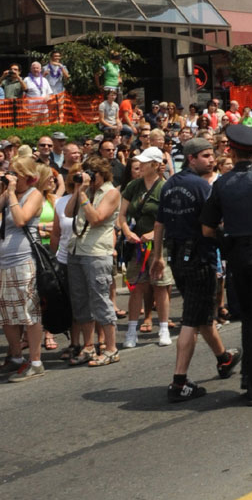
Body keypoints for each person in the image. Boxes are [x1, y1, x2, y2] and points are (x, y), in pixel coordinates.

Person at [150, 137, 241, 402]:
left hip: (177, 256)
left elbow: (159, 224)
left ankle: (224, 358)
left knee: (200, 313)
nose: (212, 160)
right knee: (191, 319)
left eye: (212, 155)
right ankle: (179, 382)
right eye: (206, 156)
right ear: (191, 158)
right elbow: (213, 224)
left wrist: (158, 256)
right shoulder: (201, 186)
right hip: (199, 258)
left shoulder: (169, 185)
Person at [200, 124, 252, 405]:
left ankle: (250, 375)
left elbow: (207, 229)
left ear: (231, 152)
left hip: (236, 255)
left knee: (248, 319)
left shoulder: (221, 183)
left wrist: (230, 239)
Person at [64, 153, 121, 365]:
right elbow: (68, 213)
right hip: (77, 250)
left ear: (102, 173)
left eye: (91, 173)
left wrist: (83, 195)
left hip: (96, 252)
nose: (88, 177)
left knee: (100, 300)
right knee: (80, 301)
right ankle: (88, 346)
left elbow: (96, 218)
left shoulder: (111, 192)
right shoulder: (85, 191)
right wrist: (78, 190)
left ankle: (111, 348)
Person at [118, 147, 173, 348]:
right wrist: (127, 231)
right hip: (136, 245)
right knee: (136, 287)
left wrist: (154, 233)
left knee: (160, 286)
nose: (139, 165)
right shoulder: (133, 186)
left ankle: (164, 328)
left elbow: (171, 219)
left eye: (144, 162)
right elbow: (122, 215)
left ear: (155, 165)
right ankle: (131, 331)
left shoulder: (165, 187)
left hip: (159, 246)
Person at [0, 156, 48, 381]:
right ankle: (16, 357)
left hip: (24, 261)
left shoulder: (34, 194)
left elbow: (21, 220)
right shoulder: (9, 194)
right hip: (4, 263)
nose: (12, 178)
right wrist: (5, 191)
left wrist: (10, 194)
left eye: (15, 174)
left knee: (29, 312)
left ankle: (36, 362)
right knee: (7, 314)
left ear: (28, 177)